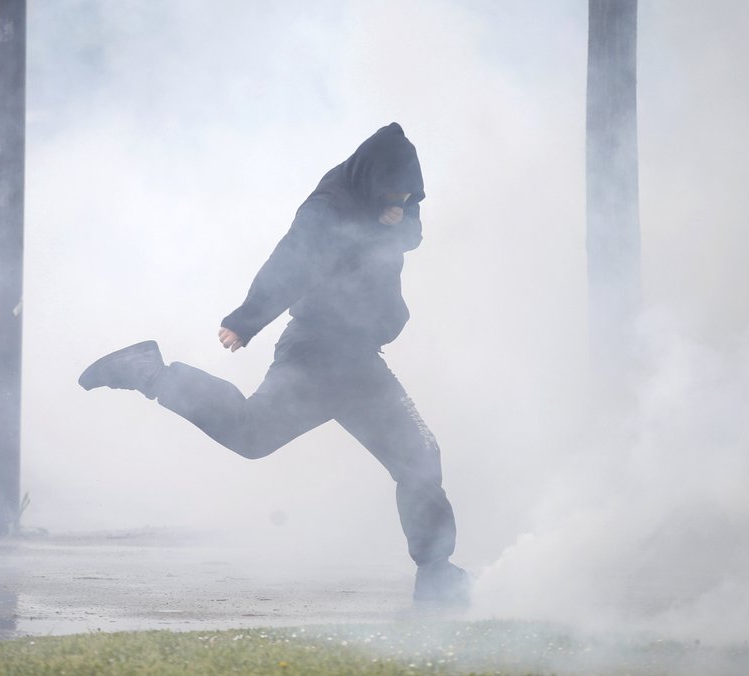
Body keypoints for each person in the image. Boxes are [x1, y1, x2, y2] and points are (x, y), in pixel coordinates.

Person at [79, 123, 467, 606]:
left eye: (409, 194)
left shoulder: (389, 201)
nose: (402, 200)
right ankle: (148, 371)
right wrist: (247, 319)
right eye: (393, 193)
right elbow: (291, 262)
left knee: (421, 459)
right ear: (371, 180)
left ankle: (436, 575)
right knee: (251, 434)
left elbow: (413, 230)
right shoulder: (327, 210)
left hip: (361, 362)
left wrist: (397, 218)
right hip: (318, 353)